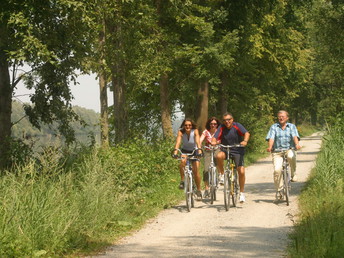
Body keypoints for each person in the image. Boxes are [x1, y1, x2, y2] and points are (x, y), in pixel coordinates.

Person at [212, 112, 250, 203]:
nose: (227, 122)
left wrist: (245, 141)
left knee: (241, 171)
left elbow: (247, 133)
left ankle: (241, 193)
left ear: (232, 119)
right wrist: (213, 141)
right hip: (226, 149)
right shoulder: (221, 127)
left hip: (237, 149)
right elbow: (215, 137)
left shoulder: (237, 126)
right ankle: (221, 174)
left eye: (229, 120)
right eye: (225, 120)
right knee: (218, 155)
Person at [266, 110, 301, 201]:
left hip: (289, 149)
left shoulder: (292, 126)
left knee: (291, 156)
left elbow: (294, 136)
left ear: (287, 118)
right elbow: (271, 138)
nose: (281, 118)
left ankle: (293, 174)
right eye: (279, 116)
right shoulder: (274, 127)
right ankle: (279, 190)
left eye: (283, 116)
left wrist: (296, 144)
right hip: (277, 151)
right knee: (277, 170)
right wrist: (270, 147)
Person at [173, 118, 203, 200]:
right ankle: (182, 180)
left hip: (195, 151)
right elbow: (178, 142)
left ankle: (199, 189)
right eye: (186, 125)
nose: (188, 126)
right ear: (183, 126)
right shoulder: (181, 131)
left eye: (189, 125)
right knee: (182, 162)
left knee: (196, 171)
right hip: (185, 151)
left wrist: (199, 149)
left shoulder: (195, 131)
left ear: (192, 125)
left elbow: (197, 140)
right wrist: (175, 151)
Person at [200, 117, 221, 198]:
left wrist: (218, 142)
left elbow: (223, 139)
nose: (213, 125)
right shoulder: (206, 132)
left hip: (217, 149)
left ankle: (220, 175)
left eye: (215, 124)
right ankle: (206, 188)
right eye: (211, 124)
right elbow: (200, 140)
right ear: (209, 124)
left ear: (217, 125)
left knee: (218, 158)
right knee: (206, 169)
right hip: (208, 150)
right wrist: (198, 146)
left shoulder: (219, 132)